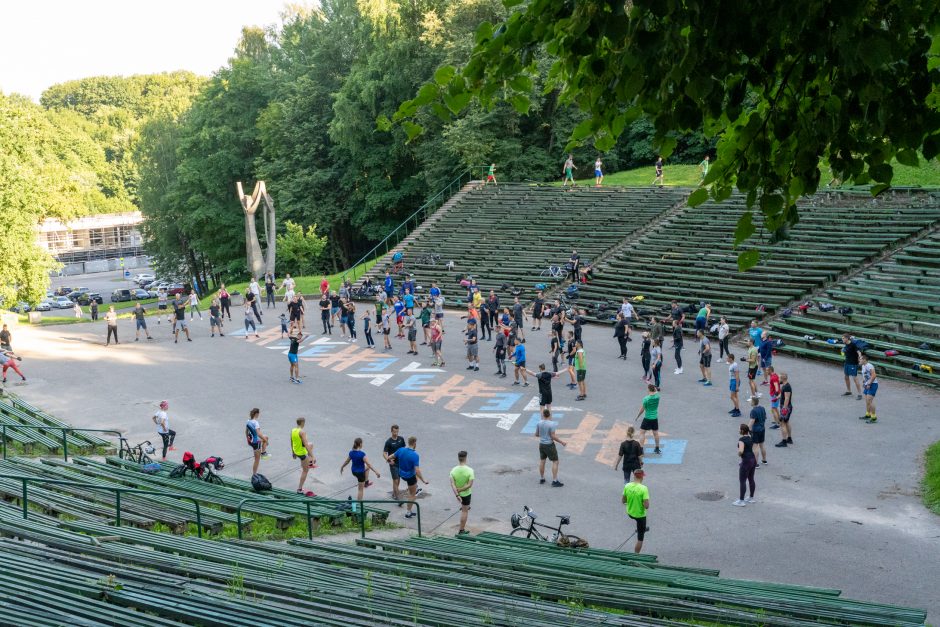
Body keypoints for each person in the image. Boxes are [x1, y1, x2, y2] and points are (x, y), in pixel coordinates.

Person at [393, 436, 428, 519]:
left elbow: (392, 456)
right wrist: (423, 480)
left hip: (401, 474)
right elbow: (417, 470)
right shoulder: (415, 455)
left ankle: (414, 488)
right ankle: (408, 513)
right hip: (409, 477)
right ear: (415, 443)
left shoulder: (401, 450)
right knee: (412, 495)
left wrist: (388, 459)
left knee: (413, 484)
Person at [341, 437, 381, 502]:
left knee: (367, 468)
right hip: (360, 474)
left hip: (354, 472)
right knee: (360, 490)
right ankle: (359, 504)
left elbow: (347, 461)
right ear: (360, 444)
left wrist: (342, 467)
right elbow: (369, 464)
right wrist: (376, 472)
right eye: (362, 443)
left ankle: (366, 482)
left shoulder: (351, 452)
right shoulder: (362, 454)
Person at [536, 409, 567, 486]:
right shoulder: (552, 424)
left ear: (543, 415)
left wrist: (543, 436)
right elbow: (552, 436)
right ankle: (555, 481)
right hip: (549, 445)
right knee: (555, 461)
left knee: (542, 461)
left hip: (541, 444)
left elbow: (536, 434)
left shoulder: (539, 423)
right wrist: (562, 442)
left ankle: (542, 478)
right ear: (549, 415)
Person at [622, 468, 650, 554]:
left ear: (634, 476)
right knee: (640, 538)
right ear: (642, 477)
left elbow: (623, 501)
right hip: (640, 515)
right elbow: (646, 506)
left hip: (630, 513)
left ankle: (641, 528)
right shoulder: (644, 488)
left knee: (639, 524)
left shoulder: (627, 486)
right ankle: (636, 554)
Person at [450, 450, 474, 535]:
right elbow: (469, 485)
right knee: (464, 511)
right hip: (466, 494)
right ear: (465, 458)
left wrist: (457, 494)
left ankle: (464, 506)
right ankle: (461, 530)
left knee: (464, 506)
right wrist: (461, 490)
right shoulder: (470, 470)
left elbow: (452, 484)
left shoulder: (453, 470)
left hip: (458, 494)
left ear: (458, 458)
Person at [291, 417, 316, 496]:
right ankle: (299, 489)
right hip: (302, 453)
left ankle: (310, 462)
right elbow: (305, 444)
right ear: (302, 423)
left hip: (296, 451)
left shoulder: (293, 430)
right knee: (305, 471)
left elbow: (291, 441)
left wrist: (293, 452)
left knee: (311, 444)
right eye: (304, 423)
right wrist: (313, 456)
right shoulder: (302, 432)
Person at [734, 424, 757, 506]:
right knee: (751, 479)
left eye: (739, 429)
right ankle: (751, 498)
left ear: (742, 431)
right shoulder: (750, 437)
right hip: (753, 459)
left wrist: (739, 454)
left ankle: (741, 500)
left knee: (742, 481)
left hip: (746, 461)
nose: (738, 430)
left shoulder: (741, 439)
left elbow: (741, 450)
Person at [382, 425, 406, 502]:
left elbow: (404, 449)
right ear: (391, 431)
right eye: (394, 431)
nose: (396, 433)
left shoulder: (401, 439)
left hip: (401, 463)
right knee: (395, 480)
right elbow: (384, 453)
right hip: (393, 464)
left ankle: (394, 493)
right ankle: (398, 497)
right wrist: (389, 460)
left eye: (397, 431)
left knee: (398, 480)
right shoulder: (388, 442)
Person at [636, 384, 661, 454]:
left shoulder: (646, 399)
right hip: (655, 418)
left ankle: (641, 449)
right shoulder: (657, 396)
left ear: (649, 389)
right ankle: (657, 448)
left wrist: (638, 416)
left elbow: (642, 409)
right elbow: (656, 391)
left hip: (647, 418)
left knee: (642, 432)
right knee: (655, 433)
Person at [246, 408, 269, 476]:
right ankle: (254, 474)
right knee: (257, 460)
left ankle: (263, 452)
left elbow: (246, 432)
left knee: (266, 437)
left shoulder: (248, 421)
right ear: (256, 414)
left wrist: (248, 440)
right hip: (256, 442)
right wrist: (265, 441)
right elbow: (259, 434)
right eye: (258, 414)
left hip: (250, 440)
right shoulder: (256, 422)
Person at [842, 334, 863, 400]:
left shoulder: (853, 344)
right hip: (847, 362)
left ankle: (860, 394)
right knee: (846, 377)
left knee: (855, 378)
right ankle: (849, 391)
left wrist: (860, 357)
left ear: (847, 339)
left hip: (853, 364)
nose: (842, 339)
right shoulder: (846, 344)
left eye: (843, 338)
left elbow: (858, 352)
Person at [775, 373, 794, 447]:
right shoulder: (785, 385)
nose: (778, 379)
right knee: (786, 422)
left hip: (786, 407)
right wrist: (777, 397)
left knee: (782, 423)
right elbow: (783, 394)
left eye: (779, 378)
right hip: (785, 407)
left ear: (783, 379)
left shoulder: (787, 387)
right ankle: (789, 438)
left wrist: (784, 409)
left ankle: (784, 441)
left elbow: (787, 398)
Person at [748, 397, 768, 464]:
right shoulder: (762, 408)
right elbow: (765, 417)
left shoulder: (753, 411)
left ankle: (755, 463)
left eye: (750, 401)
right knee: (762, 445)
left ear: (753, 403)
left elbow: (752, 421)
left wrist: (748, 429)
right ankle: (764, 460)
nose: (750, 402)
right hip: (762, 429)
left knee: (755, 446)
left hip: (756, 430)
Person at [860, 354, 879, 424]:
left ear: (864, 360)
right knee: (867, 401)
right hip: (867, 384)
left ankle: (873, 417)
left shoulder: (869, 366)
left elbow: (874, 375)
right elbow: (865, 375)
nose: (859, 360)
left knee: (870, 401)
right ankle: (868, 414)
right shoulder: (863, 366)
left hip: (873, 384)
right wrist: (864, 382)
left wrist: (869, 383)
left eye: (861, 359)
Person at [727, 353, 741, 417]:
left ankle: (738, 411)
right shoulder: (731, 364)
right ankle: (735, 408)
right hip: (732, 381)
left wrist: (737, 386)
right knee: (735, 396)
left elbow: (737, 376)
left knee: (732, 397)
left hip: (734, 381)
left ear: (731, 358)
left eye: (728, 358)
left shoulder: (735, 365)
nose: (727, 359)